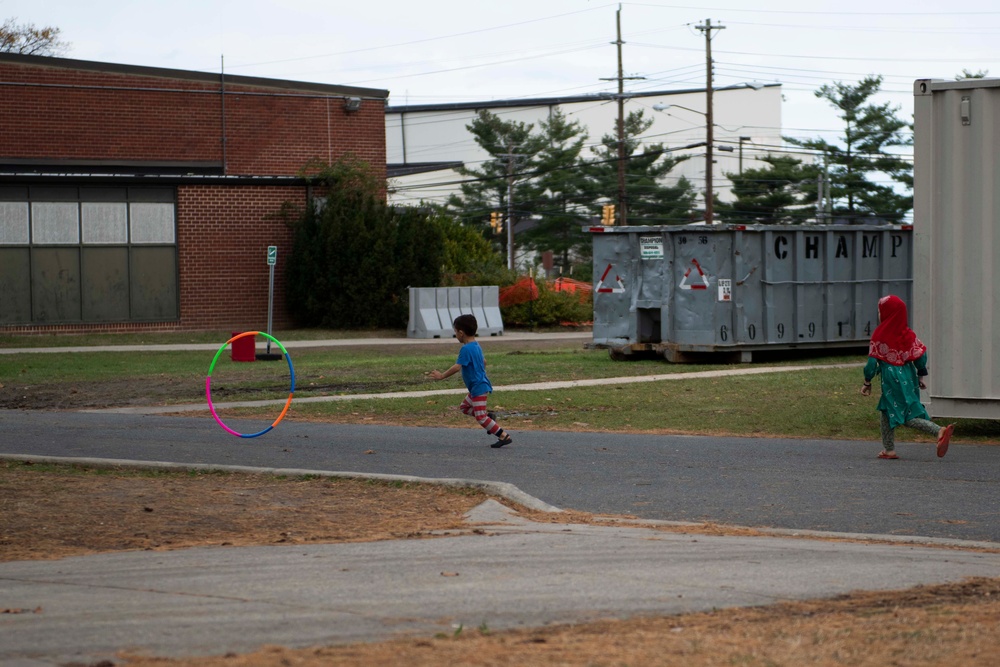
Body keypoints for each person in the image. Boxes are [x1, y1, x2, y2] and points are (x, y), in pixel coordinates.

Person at [861, 294, 954, 460]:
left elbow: (871, 364)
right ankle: (888, 449)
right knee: (886, 409)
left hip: (891, 379)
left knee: (904, 414)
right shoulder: (907, 333)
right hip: (908, 375)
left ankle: (938, 430)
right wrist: (920, 375)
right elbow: (920, 356)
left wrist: (867, 381)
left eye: (881, 311)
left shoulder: (880, 334)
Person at [430, 314, 513, 448]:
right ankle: (489, 418)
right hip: (478, 385)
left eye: (455, 332)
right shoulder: (476, 345)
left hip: (478, 387)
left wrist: (441, 376)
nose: (455, 335)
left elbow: (457, 367)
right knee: (464, 407)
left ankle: (504, 436)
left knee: (480, 417)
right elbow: (484, 361)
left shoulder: (465, 349)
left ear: (461, 333)